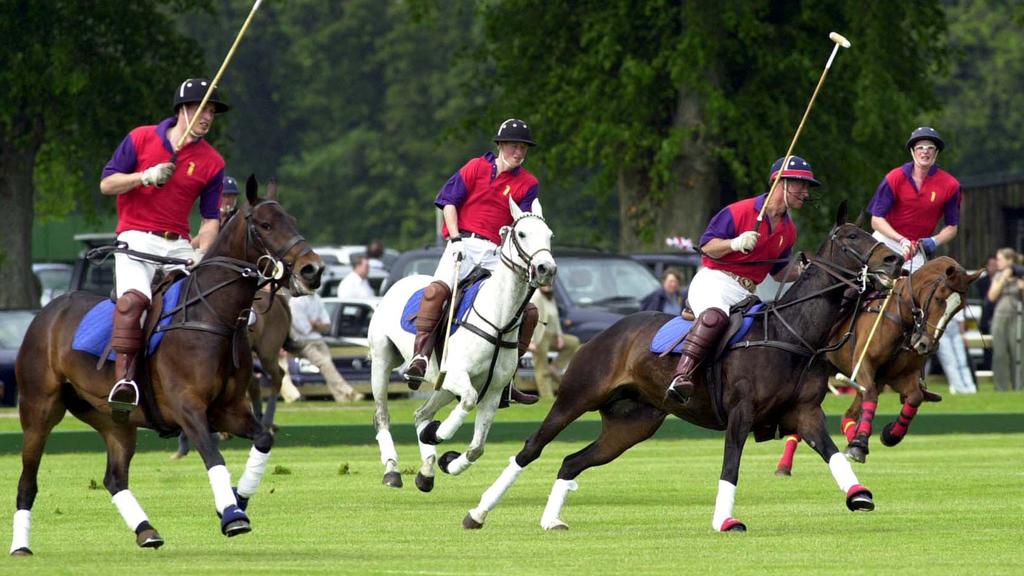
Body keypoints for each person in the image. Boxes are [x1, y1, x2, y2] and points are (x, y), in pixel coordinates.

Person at [99, 78, 228, 415]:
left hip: (179, 247)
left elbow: (211, 219)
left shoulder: (212, 161)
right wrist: (145, 177)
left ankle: (216, 381)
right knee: (133, 302)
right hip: (136, 240)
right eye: (202, 109)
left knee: (209, 302)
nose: (208, 117)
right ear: (183, 109)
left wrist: (203, 254)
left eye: (212, 112)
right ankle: (124, 382)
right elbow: (107, 183)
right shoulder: (140, 138)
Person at [402, 118, 541, 406]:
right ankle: (420, 357)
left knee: (526, 312)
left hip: (497, 252)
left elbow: (525, 222)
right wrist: (454, 239)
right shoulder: (476, 167)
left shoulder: (528, 184)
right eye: (514, 145)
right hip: (463, 241)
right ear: (501, 145)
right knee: (437, 292)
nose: (519, 151)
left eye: (523, 147)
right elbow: (448, 201)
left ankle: (507, 379)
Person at [666, 155, 816, 404]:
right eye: (801, 184)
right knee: (716, 317)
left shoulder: (788, 230)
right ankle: (682, 375)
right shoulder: (740, 211)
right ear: (780, 182)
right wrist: (734, 242)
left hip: (746, 292)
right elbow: (707, 247)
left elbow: (778, 273)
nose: (806, 192)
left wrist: (806, 271)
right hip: (715, 280)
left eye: (808, 186)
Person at [868, 126, 961, 270]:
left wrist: (934, 241)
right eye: (920, 147)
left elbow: (952, 227)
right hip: (885, 241)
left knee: (916, 291)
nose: (925, 151)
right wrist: (901, 240)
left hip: (916, 251)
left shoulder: (950, 185)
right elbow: (876, 220)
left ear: (936, 153)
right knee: (863, 286)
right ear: (912, 151)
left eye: (930, 147)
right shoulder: (894, 177)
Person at [287, 293, 361, 402]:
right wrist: (318, 325)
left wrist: (314, 324)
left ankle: (341, 399)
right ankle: (348, 391)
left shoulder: (316, 297)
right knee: (325, 364)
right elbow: (303, 328)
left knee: (329, 367)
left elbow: (327, 324)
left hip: (318, 339)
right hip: (303, 342)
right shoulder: (296, 301)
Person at [527, 284, 580, 398]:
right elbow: (532, 319)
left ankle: (555, 367)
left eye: (550, 283)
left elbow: (555, 319)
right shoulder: (536, 297)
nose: (548, 285)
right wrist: (530, 341)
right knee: (542, 369)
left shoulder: (550, 297)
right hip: (539, 336)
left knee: (573, 342)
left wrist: (560, 336)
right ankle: (547, 398)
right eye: (545, 283)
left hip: (551, 335)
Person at [987, 248, 1024, 391]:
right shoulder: (998, 276)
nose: (998, 262)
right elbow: (991, 297)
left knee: (1018, 353)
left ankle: (1019, 386)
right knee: (999, 354)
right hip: (1000, 316)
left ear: (1010, 261)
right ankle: (1000, 387)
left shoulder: (1021, 275)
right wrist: (1003, 278)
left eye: (1000, 259)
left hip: (1018, 316)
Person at [935, 308, 977, 394]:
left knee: (962, 361)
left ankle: (970, 387)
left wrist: (963, 335)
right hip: (942, 327)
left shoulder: (957, 295)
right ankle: (959, 388)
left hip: (956, 326)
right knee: (950, 362)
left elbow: (960, 317)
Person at [975, 256, 999, 371]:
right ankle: (987, 368)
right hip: (985, 318)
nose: (993, 267)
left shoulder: (1002, 281)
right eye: (991, 265)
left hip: (998, 317)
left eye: (995, 265)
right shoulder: (981, 282)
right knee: (986, 347)